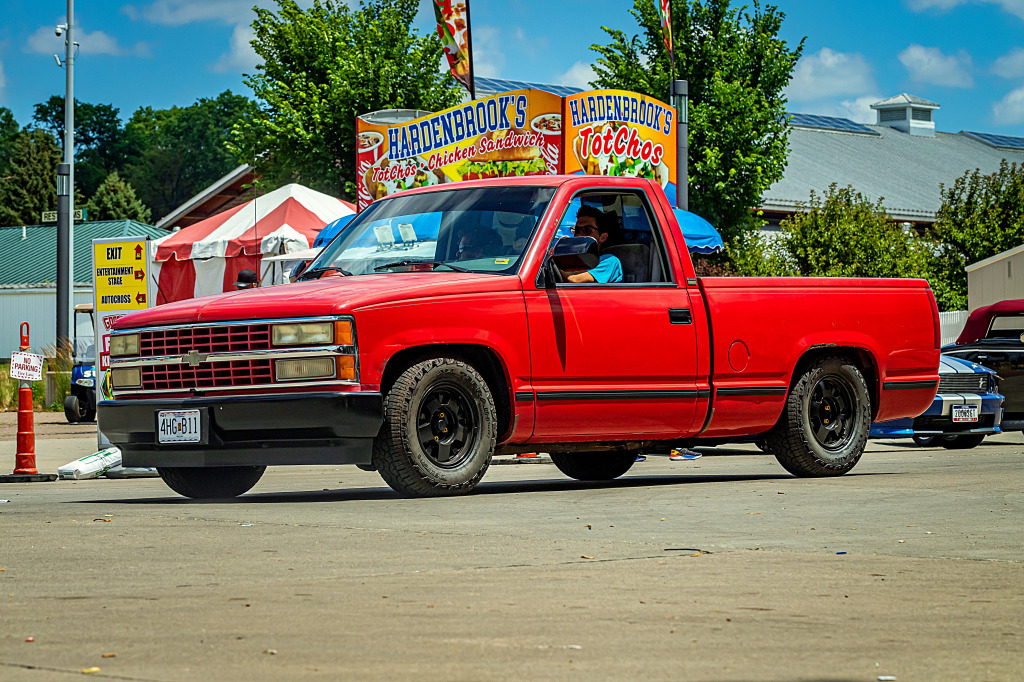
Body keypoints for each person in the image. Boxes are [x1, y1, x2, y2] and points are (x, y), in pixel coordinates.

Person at [566, 205, 622, 284]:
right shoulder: (574, 261)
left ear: (603, 237)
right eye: (577, 230)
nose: (579, 235)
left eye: (586, 230)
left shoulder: (610, 261)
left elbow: (573, 280)